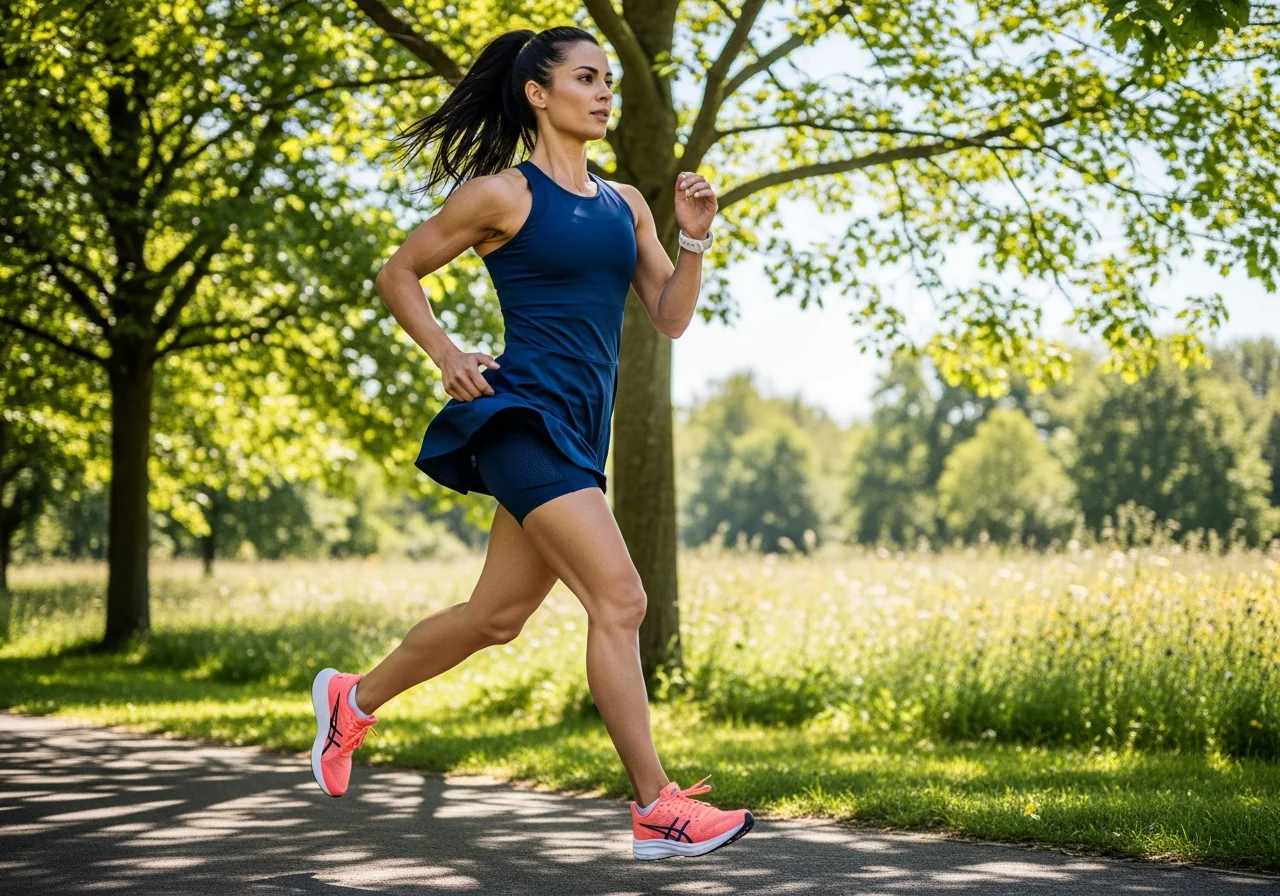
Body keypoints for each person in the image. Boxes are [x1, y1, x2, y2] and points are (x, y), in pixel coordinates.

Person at [308, 25, 753, 861]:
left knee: (497, 617)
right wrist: (447, 355)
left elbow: (671, 318)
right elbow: (396, 273)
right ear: (539, 95)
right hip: (520, 421)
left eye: (608, 79)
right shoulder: (501, 196)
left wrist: (694, 236)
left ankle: (350, 699)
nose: (604, 92)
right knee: (620, 601)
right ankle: (657, 808)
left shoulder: (626, 205)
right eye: (586, 77)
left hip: (581, 436)